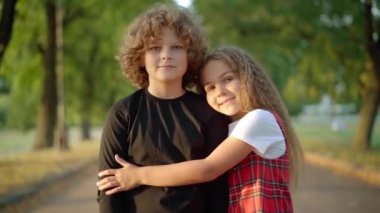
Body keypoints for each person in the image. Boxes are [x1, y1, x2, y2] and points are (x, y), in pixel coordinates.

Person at [97, 46, 304, 213]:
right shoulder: (229, 129)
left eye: (228, 79)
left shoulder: (259, 119)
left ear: (249, 77)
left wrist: (139, 176)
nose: (220, 91)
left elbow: (207, 169)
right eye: (210, 87)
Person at [97, 3, 229, 213]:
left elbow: (218, 189)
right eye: (155, 48)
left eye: (176, 47)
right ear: (140, 57)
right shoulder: (123, 113)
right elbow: (107, 189)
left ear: (190, 55)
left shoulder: (209, 113)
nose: (166, 55)